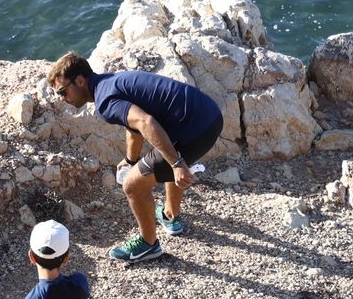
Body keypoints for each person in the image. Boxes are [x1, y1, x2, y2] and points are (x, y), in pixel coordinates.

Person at [47, 51, 223, 262]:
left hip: (193, 130)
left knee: (132, 185)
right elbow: (134, 126)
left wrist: (177, 163)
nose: (63, 98)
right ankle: (170, 215)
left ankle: (148, 244)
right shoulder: (112, 81)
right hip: (211, 116)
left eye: (63, 91)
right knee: (164, 154)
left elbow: (144, 122)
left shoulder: (104, 101)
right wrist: (131, 159)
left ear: (79, 81)